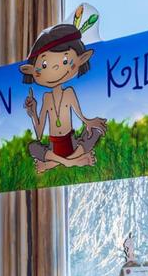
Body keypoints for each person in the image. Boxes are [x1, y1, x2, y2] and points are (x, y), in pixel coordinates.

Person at [19, 23, 108, 173]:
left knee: (95, 131)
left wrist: (89, 122)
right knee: (32, 147)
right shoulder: (46, 98)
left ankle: (52, 164)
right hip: (54, 146)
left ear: (80, 60)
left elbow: (81, 116)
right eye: (45, 64)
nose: (55, 69)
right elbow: (39, 133)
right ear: (32, 71)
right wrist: (33, 112)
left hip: (72, 143)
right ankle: (72, 162)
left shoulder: (69, 93)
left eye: (65, 61)